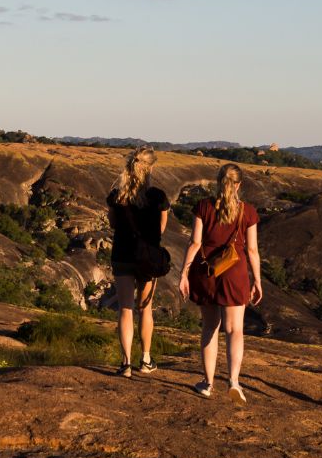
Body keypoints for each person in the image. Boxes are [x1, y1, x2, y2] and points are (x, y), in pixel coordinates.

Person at [178, 163, 262, 401]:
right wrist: (257, 280)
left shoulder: (203, 207)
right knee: (235, 329)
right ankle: (234, 381)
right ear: (239, 185)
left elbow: (194, 243)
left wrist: (184, 273)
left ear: (218, 182)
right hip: (235, 273)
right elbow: (253, 250)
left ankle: (207, 383)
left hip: (207, 273)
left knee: (209, 327)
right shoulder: (248, 212)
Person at [106, 148, 171, 376]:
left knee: (125, 309)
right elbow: (161, 227)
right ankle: (145, 360)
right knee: (145, 309)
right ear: (150, 168)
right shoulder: (158, 197)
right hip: (147, 258)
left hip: (122, 255)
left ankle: (125, 364)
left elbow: (113, 224)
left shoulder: (117, 196)